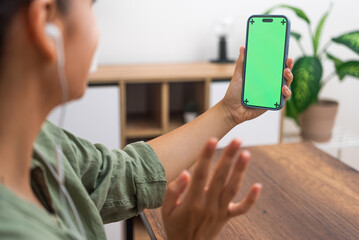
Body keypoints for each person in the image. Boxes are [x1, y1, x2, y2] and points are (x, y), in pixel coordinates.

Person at [0, 0, 294, 239]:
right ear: (46, 22)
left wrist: (228, 112)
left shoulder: (43, 141)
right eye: (91, 7)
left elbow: (119, 174)